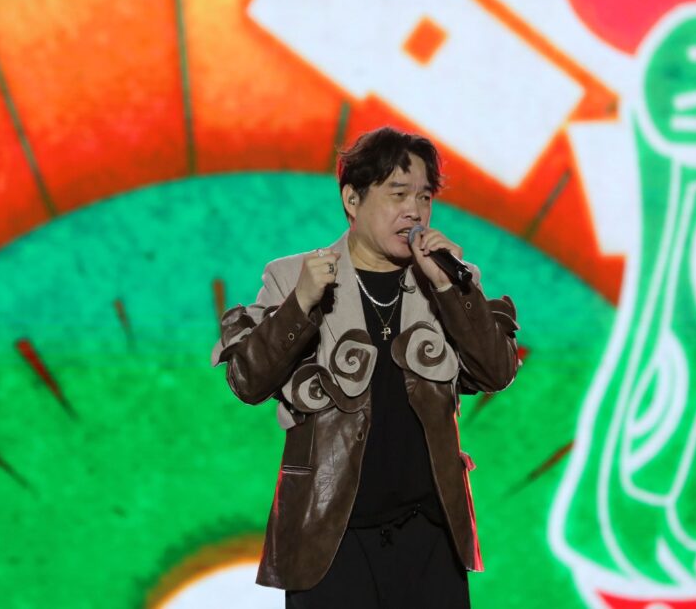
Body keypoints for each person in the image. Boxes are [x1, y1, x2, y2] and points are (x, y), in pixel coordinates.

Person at [210, 126, 521, 608]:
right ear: (352, 200)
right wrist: (300, 305)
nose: (414, 211)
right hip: (329, 538)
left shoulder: (449, 279)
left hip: (429, 537)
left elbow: (497, 372)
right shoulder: (293, 276)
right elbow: (247, 381)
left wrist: (449, 290)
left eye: (424, 197)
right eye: (398, 194)